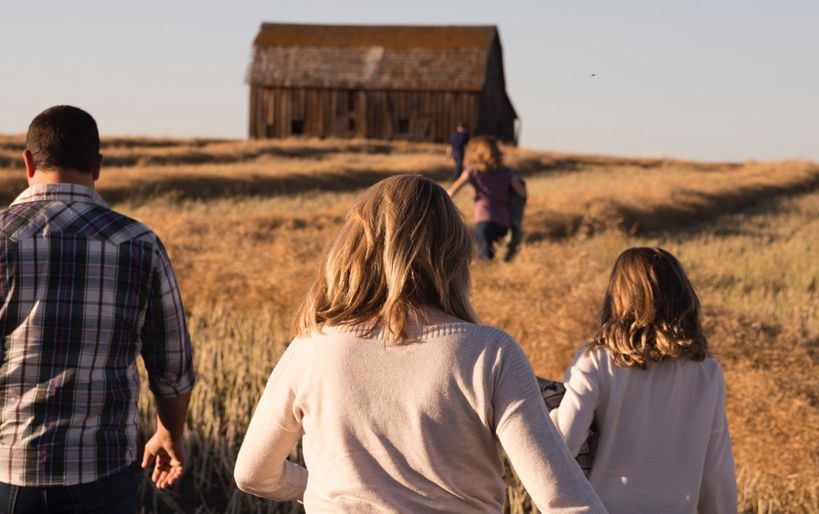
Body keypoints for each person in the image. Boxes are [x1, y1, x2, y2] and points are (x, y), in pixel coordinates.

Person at [233, 174, 606, 514]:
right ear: (453, 253)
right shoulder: (490, 353)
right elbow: (567, 503)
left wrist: (325, 488)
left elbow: (252, 472)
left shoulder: (312, 346)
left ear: (355, 248)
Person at [0, 106, 196, 513]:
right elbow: (171, 365)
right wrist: (170, 431)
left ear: (27, 162)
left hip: (4, 473)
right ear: (98, 166)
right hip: (103, 476)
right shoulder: (139, 243)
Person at [551, 247, 737, 514]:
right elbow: (716, 474)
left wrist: (552, 411)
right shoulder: (708, 373)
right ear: (683, 298)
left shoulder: (596, 360)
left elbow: (562, 446)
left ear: (618, 298)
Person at [447, 136, 526, 261]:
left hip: (484, 220)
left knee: (484, 261)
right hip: (504, 222)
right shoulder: (507, 172)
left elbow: (451, 192)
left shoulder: (472, 172)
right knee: (498, 259)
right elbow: (521, 193)